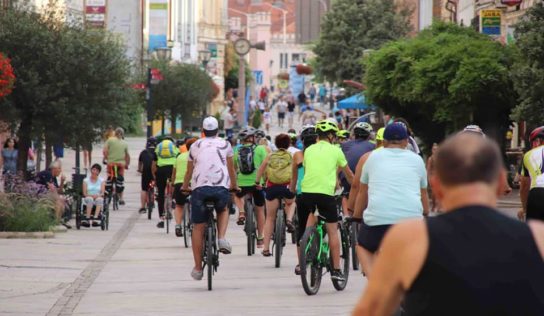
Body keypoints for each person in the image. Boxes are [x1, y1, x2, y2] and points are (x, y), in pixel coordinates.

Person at [353, 133, 544, 316]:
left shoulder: (410, 239)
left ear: (436, 186)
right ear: (502, 182)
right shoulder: (538, 239)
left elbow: (370, 311)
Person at [353, 123, 429, 277]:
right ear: (406, 141)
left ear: (383, 141)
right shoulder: (417, 160)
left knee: (362, 247)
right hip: (411, 221)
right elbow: (423, 193)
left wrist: (356, 216)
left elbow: (362, 191)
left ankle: (374, 281)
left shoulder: (372, 157)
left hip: (378, 221)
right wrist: (426, 213)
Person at [294, 120, 354, 281]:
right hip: (325, 195)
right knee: (333, 232)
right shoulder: (336, 150)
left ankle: (306, 248)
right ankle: (336, 270)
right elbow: (348, 174)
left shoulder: (308, 150)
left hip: (306, 193)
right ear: (330, 135)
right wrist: (356, 187)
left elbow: (311, 171)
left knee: (311, 218)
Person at [181, 116, 238, 280]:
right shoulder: (225, 144)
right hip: (221, 187)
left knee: (198, 227)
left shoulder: (195, 145)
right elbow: (231, 168)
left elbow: (189, 171)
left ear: (203, 131)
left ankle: (198, 268)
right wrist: (233, 186)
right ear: (218, 130)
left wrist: (185, 186)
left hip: (200, 190)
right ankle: (221, 238)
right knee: (223, 208)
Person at [255, 134, 296, 256]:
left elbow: (261, 169)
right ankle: (289, 219)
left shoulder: (270, 155)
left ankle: (266, 248)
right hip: (287, 187)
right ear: (288, 144)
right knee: (292, 202)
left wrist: (257, 182)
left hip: (272, 188)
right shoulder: (291, 156)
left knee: (270, 218)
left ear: (276, 144)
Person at [290, 125, 318, 275]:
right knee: (324, 224)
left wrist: (292, 190)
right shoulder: (321, 154)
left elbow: (294, 178)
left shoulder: (298, 155)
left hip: (302, 194)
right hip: (320, 192)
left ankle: (300, 263)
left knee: (301, 227)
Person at [233, 127, 267, 247]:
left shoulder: (237, 151)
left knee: (237, 196)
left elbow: (234, 167)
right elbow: (266, 166)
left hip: (242, 182)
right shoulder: (260, 149)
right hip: (257, 183)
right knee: (259, 209)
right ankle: (260, 237)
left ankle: (241, 211)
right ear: (253, 138)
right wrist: (264, 180)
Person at [340, 123, 375, 215]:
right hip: (364, 177)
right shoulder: (372, 146)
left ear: (354, 134)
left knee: (344, 194)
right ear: (368, 135)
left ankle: (346, 215)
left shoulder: (345, 145)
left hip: (347, 176)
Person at [171, 137, 197, 237]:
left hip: (179, 184)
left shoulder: (180, 156)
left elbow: (174, 172)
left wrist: (173, 183)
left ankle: (178, 225)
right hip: (193, 183)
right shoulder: (198, 156)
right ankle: (194, 223)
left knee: (179, 205)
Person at [152, 136, 179, 228]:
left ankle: (161, 218)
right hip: (172, 169)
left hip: (161, 170)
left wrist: (154, 176)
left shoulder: (158, 147)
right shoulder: (174, 147)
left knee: (160, 194)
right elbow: (178, 160)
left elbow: (154, 164)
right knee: (174, 184)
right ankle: (174, 199)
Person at [519, 126, 544, 221]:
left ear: (538, 141)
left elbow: (524, 186)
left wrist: (525, 208)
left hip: (537, 194)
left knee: (535, 232)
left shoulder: (528, 155)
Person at [36, 160, 68, 227]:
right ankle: (56, 222)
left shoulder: (54, 177)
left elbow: (59, 191)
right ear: (54, 168)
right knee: (59, 201)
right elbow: (51, 188)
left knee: (60, 202)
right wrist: (59, 198)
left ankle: (57, 221)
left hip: (47, 195)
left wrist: (62, 182)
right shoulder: (47, 174)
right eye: (59, 168)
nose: (60, 170)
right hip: (39, 194)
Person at [103, 127, 130, 205]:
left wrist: (105, 159)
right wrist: (127, 164)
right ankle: (121, 198)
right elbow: (127, 155)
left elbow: (105, 151)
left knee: (109, 177)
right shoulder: (125, 143)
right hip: (121, 165)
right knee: (120, 180)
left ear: (115, 133)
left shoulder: (110, 140)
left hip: (110, 164)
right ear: (122, 134)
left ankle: (107, 196)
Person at [138, 137, 157, 214]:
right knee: (152, 186)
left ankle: (142, 207)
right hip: (154, 172)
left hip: (145, 172)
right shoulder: (157, 152)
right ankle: (152, 201)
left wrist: (140, 170)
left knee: (144, 189)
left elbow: (140, 163)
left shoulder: (143, 152)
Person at [426, 143, 439, 212]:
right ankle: (434, 206)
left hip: (440, 177)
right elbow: (428, 169)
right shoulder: (430, 159)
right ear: (432, 150)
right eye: (434, 149)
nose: (435, 150)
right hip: (433, 177)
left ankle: (439, 207)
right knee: (434, 192)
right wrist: (428, 178)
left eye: (436, 149)